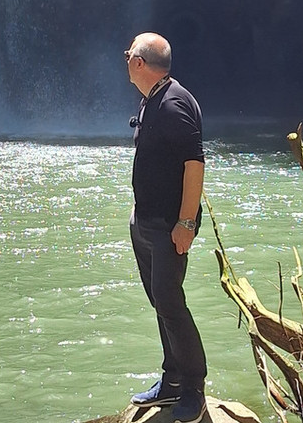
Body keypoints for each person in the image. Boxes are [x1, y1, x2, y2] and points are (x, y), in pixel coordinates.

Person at [124, 32, 207, 423]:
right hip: (146, 222)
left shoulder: (174, 103)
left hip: (169, 227)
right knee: (161, 302)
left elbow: (195, 164)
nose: (125, 59)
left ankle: (193, 389)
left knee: (171, 304)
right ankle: (171, 380)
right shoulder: (153, 99)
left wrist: (186, 222)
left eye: (128, 54)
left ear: (140, 62)